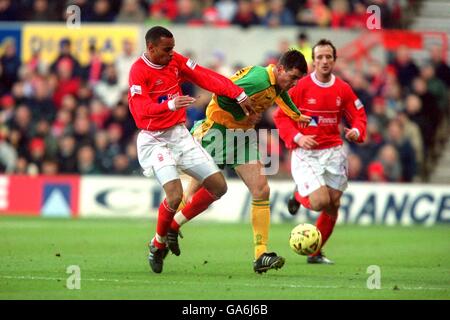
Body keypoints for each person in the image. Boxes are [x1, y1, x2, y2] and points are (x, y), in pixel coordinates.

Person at [168, 50, 311, 273]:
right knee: (191, 194)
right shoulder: (257, 80)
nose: (293, 84)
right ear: (280, 69)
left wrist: (296, 114)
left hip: (242, 137)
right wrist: (242, 113)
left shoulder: (276, 83)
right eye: (293, 78)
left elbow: (280, 94)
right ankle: (162, 236)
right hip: (217, 132)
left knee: (261, 190)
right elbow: (222, 93)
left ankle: (260, 254)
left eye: (297, 80)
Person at [128, 26, 253, 274]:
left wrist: (236, 92)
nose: (171, 53)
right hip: (154, 139)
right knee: (174, 196)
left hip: (179, 135)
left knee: (219, 187)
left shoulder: (175, 61)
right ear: (151, 48)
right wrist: (170, 104)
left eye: (173, 48)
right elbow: (139, 110)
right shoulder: (138, 71)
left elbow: (205, 75)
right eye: (166, 49)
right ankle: (156, 243)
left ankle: (173, 227)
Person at [273, 39, 367, 264]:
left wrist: (356, 130)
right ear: (313, 61)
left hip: (334, 151)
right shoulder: (300, 86)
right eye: (319, 58)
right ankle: (298, 195)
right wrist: (298, 137)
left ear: (334, 60)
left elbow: (358, 115)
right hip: (307, 152)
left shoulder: (342, 88)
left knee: (334, 204)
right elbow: (281, 116)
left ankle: (315, 253)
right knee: (319, 202)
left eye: (328, 57)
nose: (324, 61)